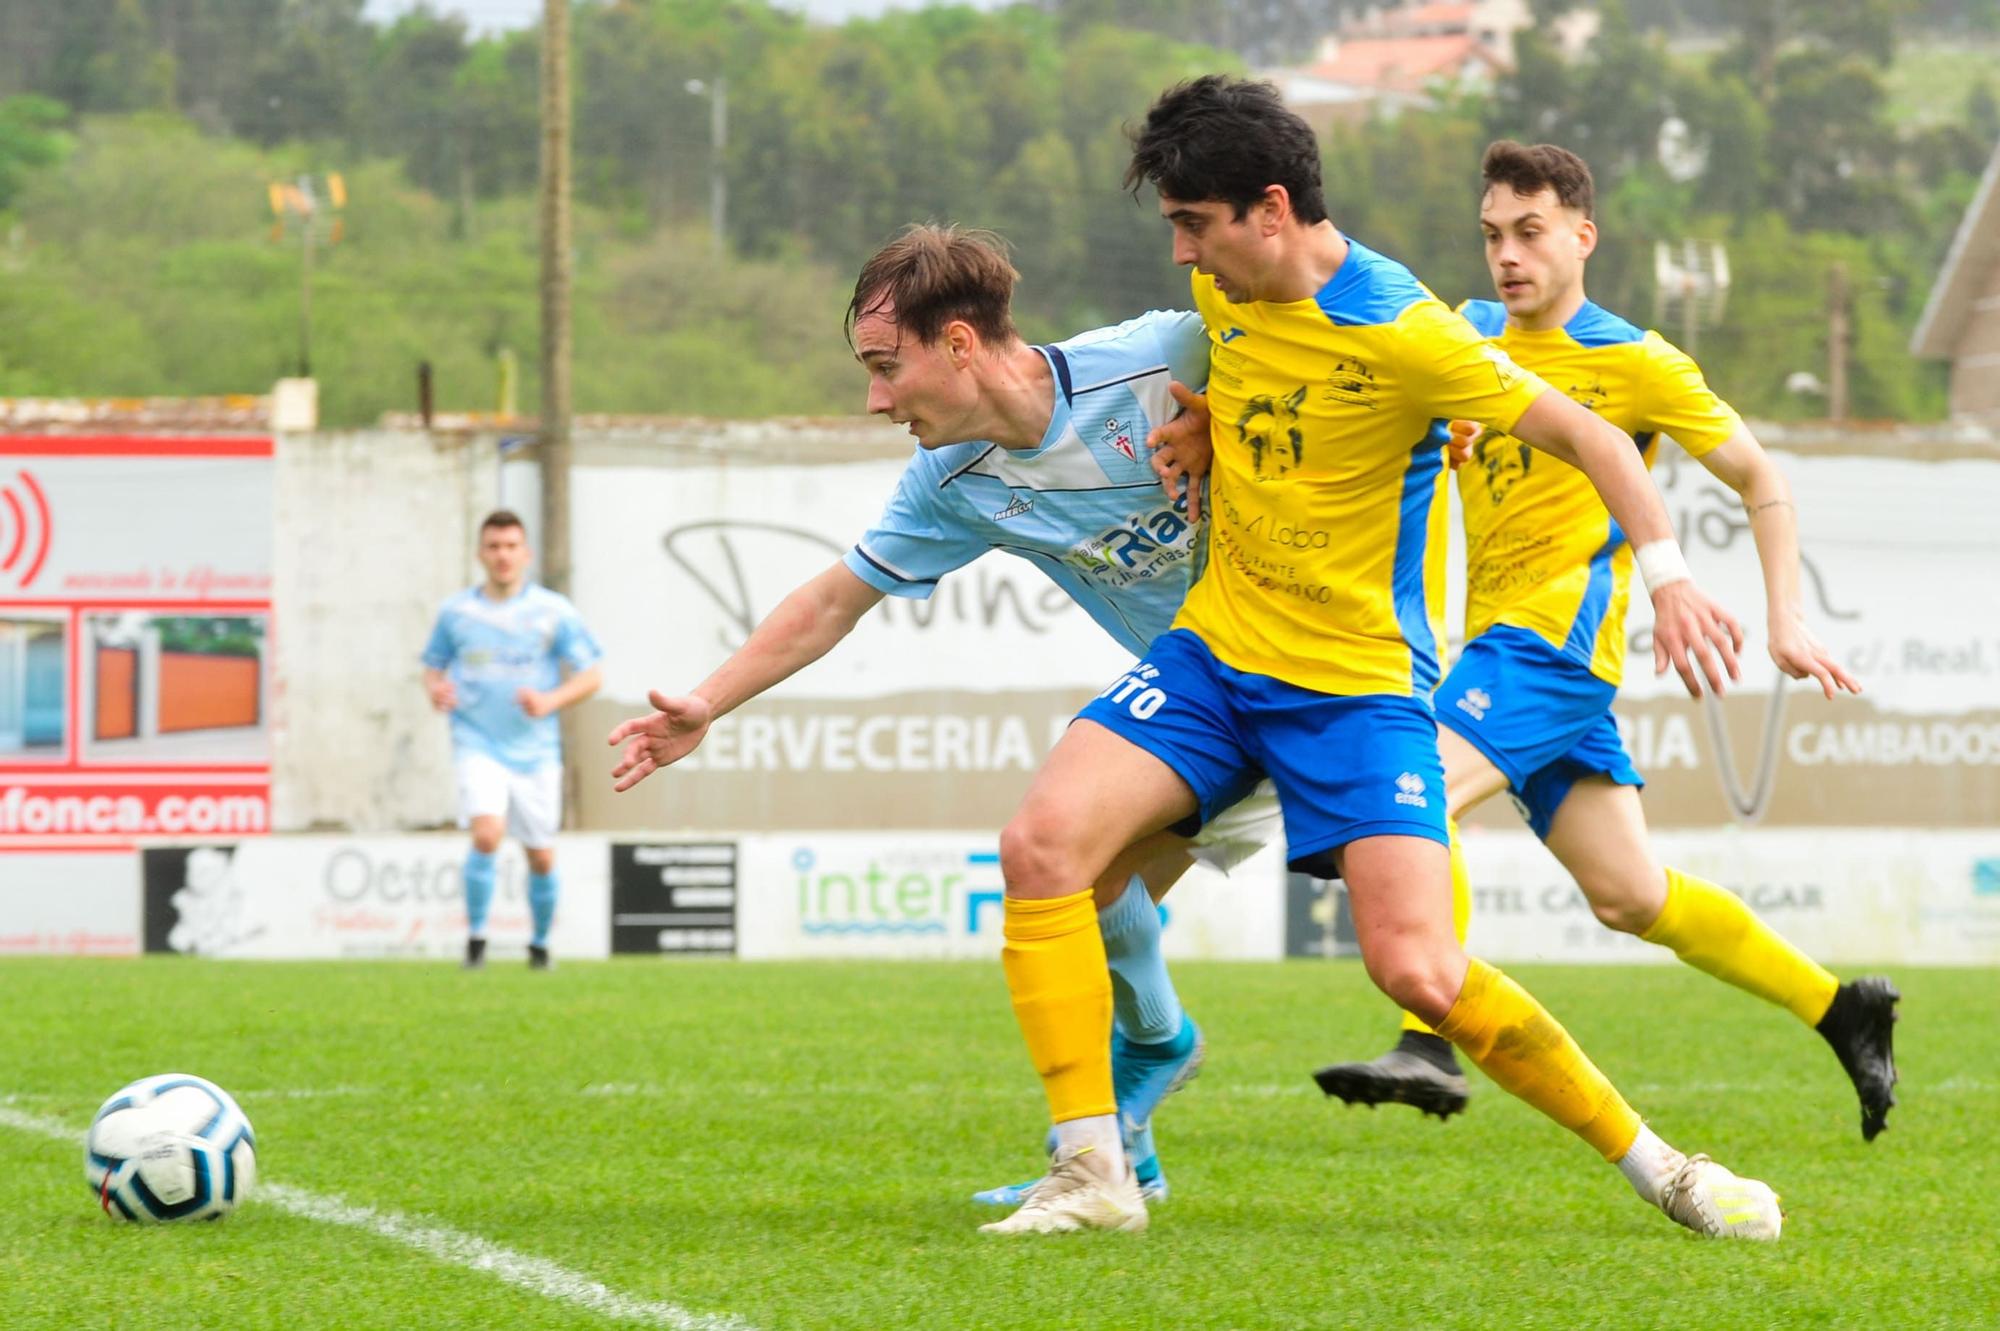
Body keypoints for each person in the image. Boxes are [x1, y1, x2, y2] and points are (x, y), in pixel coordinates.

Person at [976, 75, 1779, 1240]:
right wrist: (1212, 419)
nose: (1180, 255)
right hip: (1214, 656)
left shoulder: (1405, 330)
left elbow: (1595, 435)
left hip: (1354, 688)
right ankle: (1093, 1170)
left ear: (1266, 207)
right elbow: (1249, 372)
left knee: (1418, 973)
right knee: (1040, 845)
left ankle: (1664, 1167)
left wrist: (1669, 578)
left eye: (1192, 224)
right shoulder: (1225, 288)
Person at [606, 223, 1254, 1200]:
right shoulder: (953, 480)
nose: (873, 399)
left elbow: (1315, 356)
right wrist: (707, 700)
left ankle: (1149, 1076)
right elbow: (833, 599)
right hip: (1209, 703)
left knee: (1419, 966)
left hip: (1328, 672)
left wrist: (1228, 414)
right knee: (1068, 868)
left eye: (882, 366)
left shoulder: (1163, 358)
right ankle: (1133, 1107)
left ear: (957, 343)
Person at [1305, 140, 1898, 1137]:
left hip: (1553, 650)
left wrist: (1784, 618)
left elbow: (1760, 478)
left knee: (1410, 792)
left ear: (1582, 237)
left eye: (1529, 233)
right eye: (1492, 234)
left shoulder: (1635, 360)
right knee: (1631, 895)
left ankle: (1424, 1036)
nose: (1507, 254)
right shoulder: (1465, 335)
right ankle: (1839, 1006)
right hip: (1494, 647)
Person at [422, 509, 603, 969]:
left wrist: (550, 700)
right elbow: (433, 665)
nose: (502, 556)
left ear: (526, 554)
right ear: (480, 553)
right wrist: (435, 690)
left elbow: (593, 674)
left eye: (510, 547)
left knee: (541, 856)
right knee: (487, 833)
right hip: (477, 740)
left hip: (536, 750)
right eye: (493, 547)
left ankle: (540, 945)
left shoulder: (552, 611)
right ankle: (477, 941)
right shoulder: (456, 612)